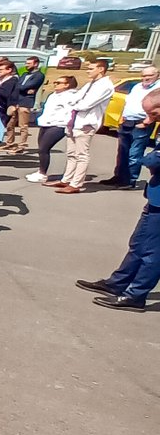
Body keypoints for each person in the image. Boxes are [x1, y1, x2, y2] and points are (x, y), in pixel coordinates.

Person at [76, 89, 160, 310]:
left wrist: (150, 158)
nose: (150, 118)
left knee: (153, 252)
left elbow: (153, 159)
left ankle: (136, 295)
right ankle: (118, 283)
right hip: (154, 197)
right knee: (138, 244)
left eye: (154, 114)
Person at [50, 59, 115, 194]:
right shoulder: (91, 84)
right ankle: (66, 179)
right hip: (73, 121)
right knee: (71, 153)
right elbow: (76, 97)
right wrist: (73, 103)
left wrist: (73, 105)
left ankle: (76, 183)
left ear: (101, 69)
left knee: (81, 154)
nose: (88, 71)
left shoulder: (105, 86)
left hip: (86, 123)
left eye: (91, 68)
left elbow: (86, 104)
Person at [109, 66, 159, 189]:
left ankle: (129, 180)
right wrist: (121, 117)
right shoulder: (137, 87)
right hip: (127, 121)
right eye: (144, 75)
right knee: (122, 151)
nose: (146, 78)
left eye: (149, 76)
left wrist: (147, 122)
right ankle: (119, 177)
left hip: (142, 122)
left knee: (134, 153)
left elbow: (156, 108)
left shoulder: (158, 88)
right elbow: (128, 103)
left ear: (157, 75)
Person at [26, 76, 79, 183]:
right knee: (41, 148)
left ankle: (43, 174)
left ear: (67, 85)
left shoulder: (71, 96)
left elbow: (71, 112)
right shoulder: (53, 95)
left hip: (58, 125)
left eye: (58, 82)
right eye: (55, 82)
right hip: (45, 123)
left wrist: (67, 123)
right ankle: (40, 170)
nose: (55, 84)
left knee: (44, 148)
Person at [2, 56, 45, 154]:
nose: (27, 65)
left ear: (36, 64)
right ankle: (10, 143)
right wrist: (22, 88)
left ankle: (21, 146)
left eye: (29, 63)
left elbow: (28, 86)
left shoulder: (39, 75)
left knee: (23, 126)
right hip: (16, 102)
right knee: (10, 124)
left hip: (26, 103)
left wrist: (23, 88)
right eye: (26, 63)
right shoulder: (24, 74)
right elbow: (18, 86)